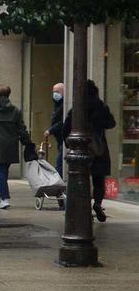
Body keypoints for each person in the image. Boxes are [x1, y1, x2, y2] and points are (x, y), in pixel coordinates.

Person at [64, 80, 117, 222]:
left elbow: (66, 127)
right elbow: (111, 123)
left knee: (81, 178)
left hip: (81, 147)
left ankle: (84, 208)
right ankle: (98, 203)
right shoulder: (101, 106)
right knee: (99, 179)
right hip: (98, 147)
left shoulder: (77, 108)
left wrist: (68, 144)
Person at [0, 84, 37, 210]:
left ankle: (4, 198)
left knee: (1, 173)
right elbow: (22, 129)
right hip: (10, 146)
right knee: (3, 172)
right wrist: (28, 143)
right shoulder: (15, 111)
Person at [46, 82, 66, 174]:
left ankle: (59, 182)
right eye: (54, 91)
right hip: (59, 138)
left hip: (64, 137)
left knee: (60, 163)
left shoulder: (64, 105)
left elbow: (62, 121)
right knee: (60, 161)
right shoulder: (57, 104)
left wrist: (51, 130)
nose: (55, 94)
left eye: (57, 91)